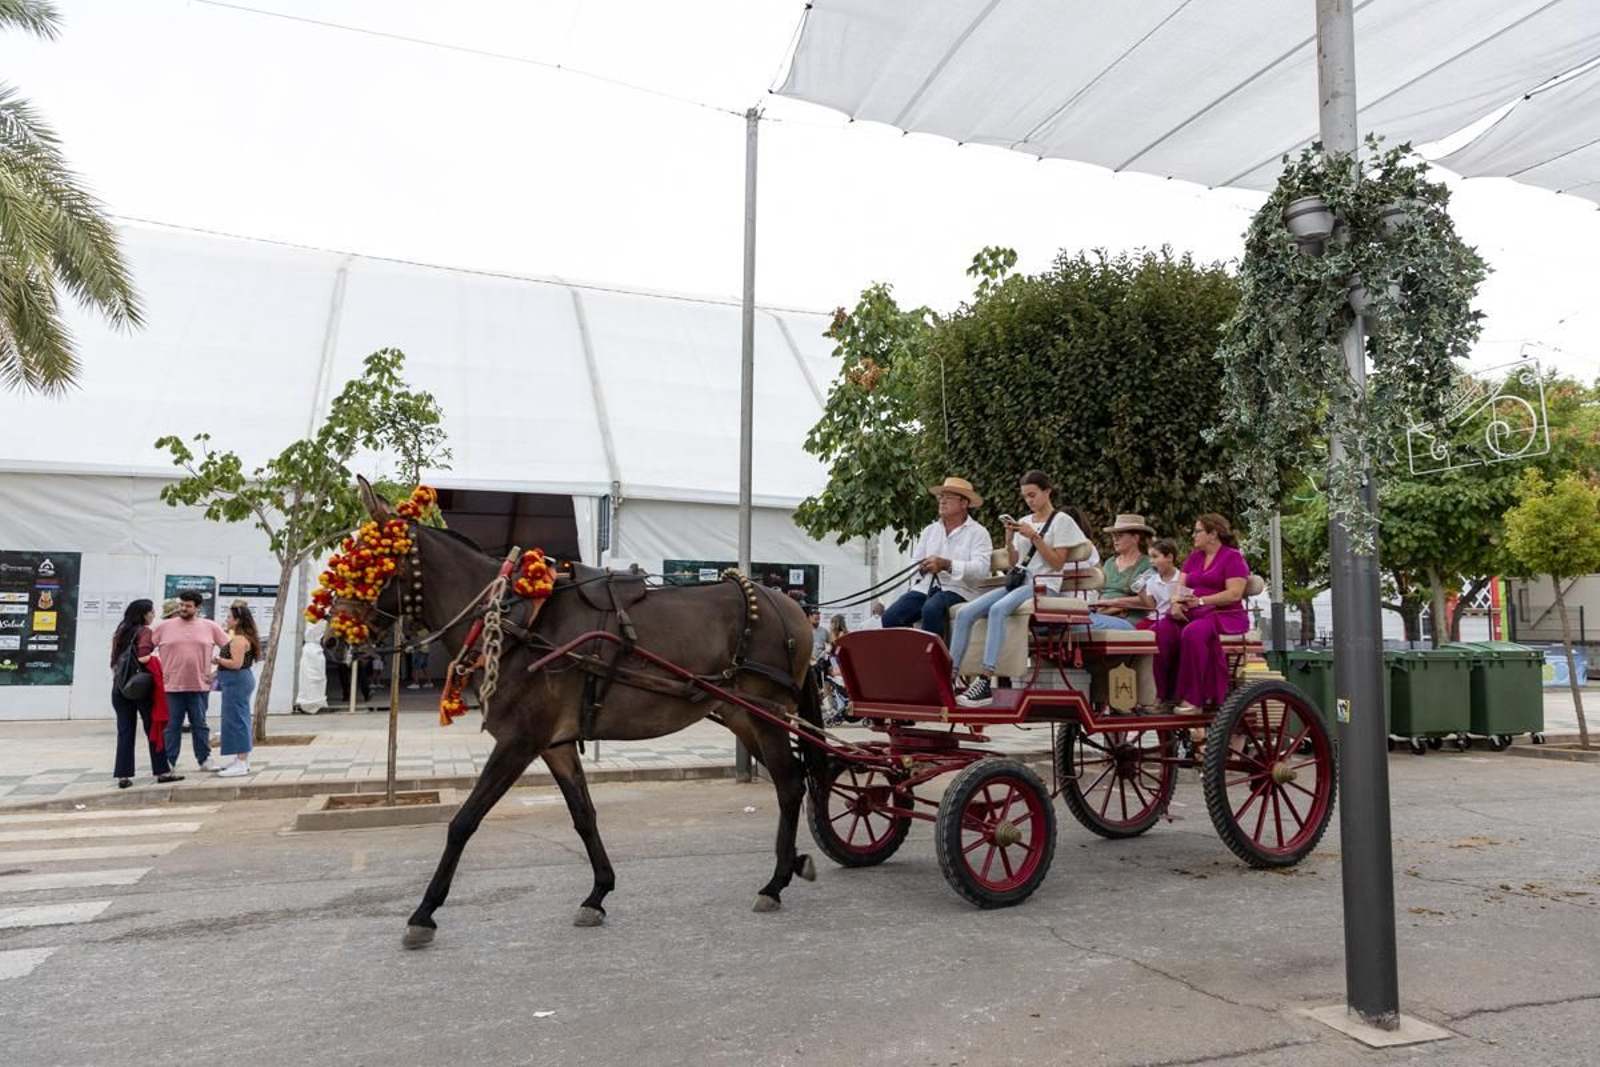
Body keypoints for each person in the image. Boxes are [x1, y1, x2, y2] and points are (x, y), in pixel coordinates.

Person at [951, 471, 1086, 708]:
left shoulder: (1062, 521)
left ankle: (985, 679)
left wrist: (1035, 537)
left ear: (1047, 491)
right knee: (965, 612)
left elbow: (1056, 563)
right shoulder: (1024, 521)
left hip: (1044, 586)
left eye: (1033, 495)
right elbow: (1014, 563)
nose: (1029, 501)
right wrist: (1009, 538)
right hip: (1021, 584)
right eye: (1025, 497)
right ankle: (949, 675)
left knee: (998, 609)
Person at [1154, 513, 1252, 711]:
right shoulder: (1194, 558)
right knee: (1161, 630)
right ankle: (1165, 695)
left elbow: (1234, 594)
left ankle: (1194, 698)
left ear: (1213, 534)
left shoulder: (1233, 557)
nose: (1193, 535)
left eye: (1198, 531)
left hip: (1224, 615)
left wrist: (1200, 601)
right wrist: (1175, 604)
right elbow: (1179, 587)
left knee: (1193, 633)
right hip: (1191, 612)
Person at [882, 476, 994, 642]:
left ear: (964, 504)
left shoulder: (978, 532)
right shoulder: (930, 531)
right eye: (941, 497)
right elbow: (914, 564)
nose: (942, 501)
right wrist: (923, 566)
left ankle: (935, 663)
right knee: (890, 617)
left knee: (931, 609)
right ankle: (911, 658)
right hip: (926, 587)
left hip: (959, 589)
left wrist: (947, 565)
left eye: (948, 497)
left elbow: (981, 569)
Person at [109, 599, 183, 789]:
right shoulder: (145, 632)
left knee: (125, 731)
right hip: (141, 688)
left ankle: (123, 775)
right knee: (153, 729)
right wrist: (157, 660)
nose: (153, 615)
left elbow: (114, 663)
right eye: (151, 612)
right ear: (143, 614)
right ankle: (162, 771)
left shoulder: (120, 632)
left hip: (120, 688)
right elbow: (143, 656)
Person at [153, 590, 230, 771]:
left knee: (200, 724)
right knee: (172, 726)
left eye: (188, 606)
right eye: (181, 605)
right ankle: (169, 761)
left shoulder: (210, 626)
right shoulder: (164, 627)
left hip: (199, 685)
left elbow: (229, 648)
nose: (183, 608)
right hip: (171, 686)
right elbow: (146, 650)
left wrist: (217, 670)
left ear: (197, 607)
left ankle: (204, 759)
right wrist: (157, 672)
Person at [213, 600, 260, 777]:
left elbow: (236, 663)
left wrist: (218, 660)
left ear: (238, 620)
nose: (227, 620)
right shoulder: (241, 638)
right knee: (238, 718)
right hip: (236, 681)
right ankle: (242, 759)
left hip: (236, 681)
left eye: (229, 617)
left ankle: (241, 761)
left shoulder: (239, 640)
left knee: (237, 720)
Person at [1090, 514, 1156, 631]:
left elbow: (1151, 600)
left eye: (1119, 535)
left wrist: (1115, 602)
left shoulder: (1147, 563)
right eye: (1113, 535)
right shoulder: (1110, 562)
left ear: (1135, 538)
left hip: (1130, 616)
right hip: (1102, 612)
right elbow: (1099, 592)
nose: (1114, 539)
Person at [1132, 537, 1183, 629]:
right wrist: (1140, 590)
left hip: (1172, 619)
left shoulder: (1181, 579)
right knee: (1136, 631)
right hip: (1155, 618)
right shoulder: (1152, 580)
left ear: (1169, 557)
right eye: (1150, 557)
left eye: (1155, 557)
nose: (1151, 561)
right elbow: (1151, 606)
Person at [296, 616, 329, 714]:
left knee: (312, 680)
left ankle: (311, 704)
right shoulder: (321, 619)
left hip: (313, 651)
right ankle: (309, 704)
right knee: (310, 679)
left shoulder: (318, 619)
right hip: (314, 651)